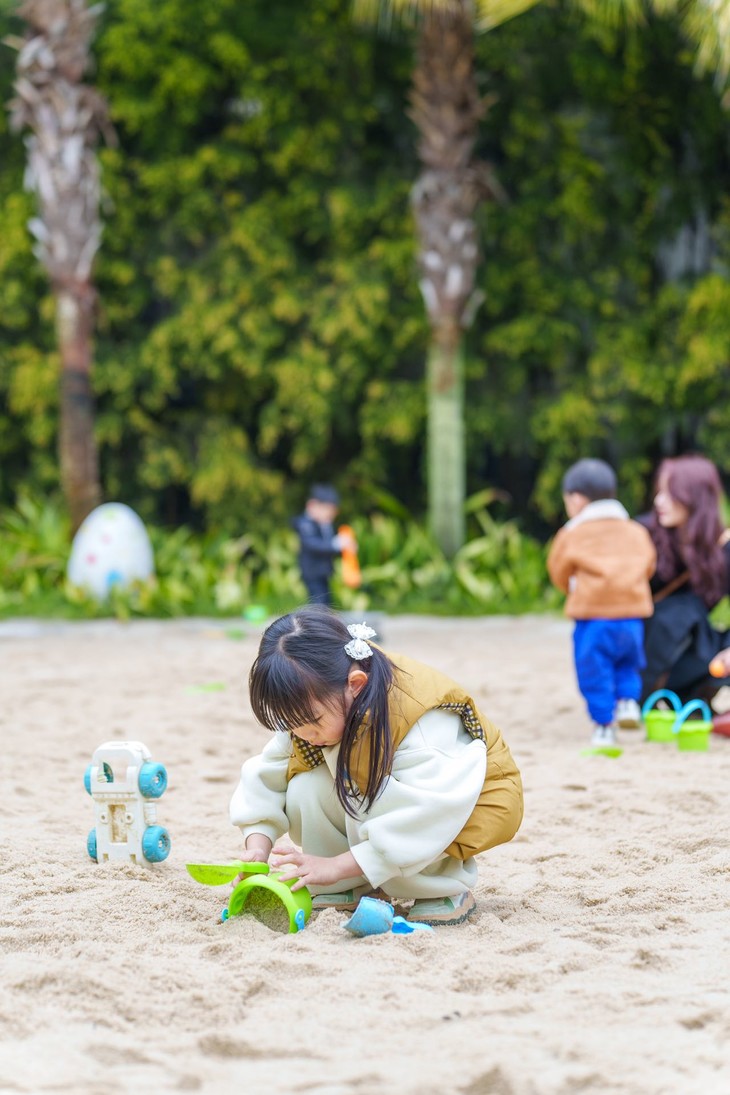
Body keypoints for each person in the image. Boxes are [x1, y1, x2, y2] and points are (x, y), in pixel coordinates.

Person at [229, 606, 524, 926]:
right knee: (304, 785)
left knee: (392, 803)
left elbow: (429, 812)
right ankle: (346, 885)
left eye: (312, 722)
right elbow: (268, 773)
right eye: (291, 723)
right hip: (386, 786)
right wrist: (257, 848)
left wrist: (337, 865)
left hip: (459, 800)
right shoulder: (316, 701)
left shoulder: (420, 723)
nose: (303, 735)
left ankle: (440, 886)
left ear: (355, 685)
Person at [547, 458, 656, 747]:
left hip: (592, 618)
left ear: (576, 499)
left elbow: (558, 571)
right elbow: (648, 565)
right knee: (628, 662)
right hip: (632, 617)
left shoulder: (572, 533)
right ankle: (628, 701)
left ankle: (604, 725)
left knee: (593, 670)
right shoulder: (635, 530)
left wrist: (573, 588)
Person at [638, 454, 730, 705]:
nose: (658, 501)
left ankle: (692, 697)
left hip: (692, 650)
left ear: (694, 497)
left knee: (690, 614)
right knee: (680, 613)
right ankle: (643, 693)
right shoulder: (643, 535)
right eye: (659, 492)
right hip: (646, 644)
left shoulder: (723, 547)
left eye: (669, 493)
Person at [290, 484, 355, 606]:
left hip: (324, 572)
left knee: (326, 601)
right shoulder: (305, 524)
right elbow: (313, 544)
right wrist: (336, 544)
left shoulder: (324, 524)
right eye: (327, 510)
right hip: (312, 572)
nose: (330, 515)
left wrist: (345, 547)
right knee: (318, 603)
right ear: (312, 505)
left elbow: (330, 547)